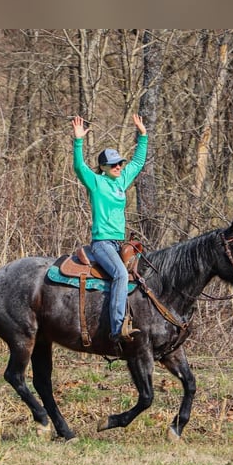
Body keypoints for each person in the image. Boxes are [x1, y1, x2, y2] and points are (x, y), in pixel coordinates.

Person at [71, 113, 148, 343]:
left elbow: (137, 163)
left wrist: (143, 135)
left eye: (119, 163)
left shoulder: (121, 180)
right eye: (113, 164)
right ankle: (117, 329)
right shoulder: (96, 182)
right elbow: (79, 166)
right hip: (102, 243)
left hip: (119, 243)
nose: (118, 166)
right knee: (120, 274)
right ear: (103, 167)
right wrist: (78, 141)